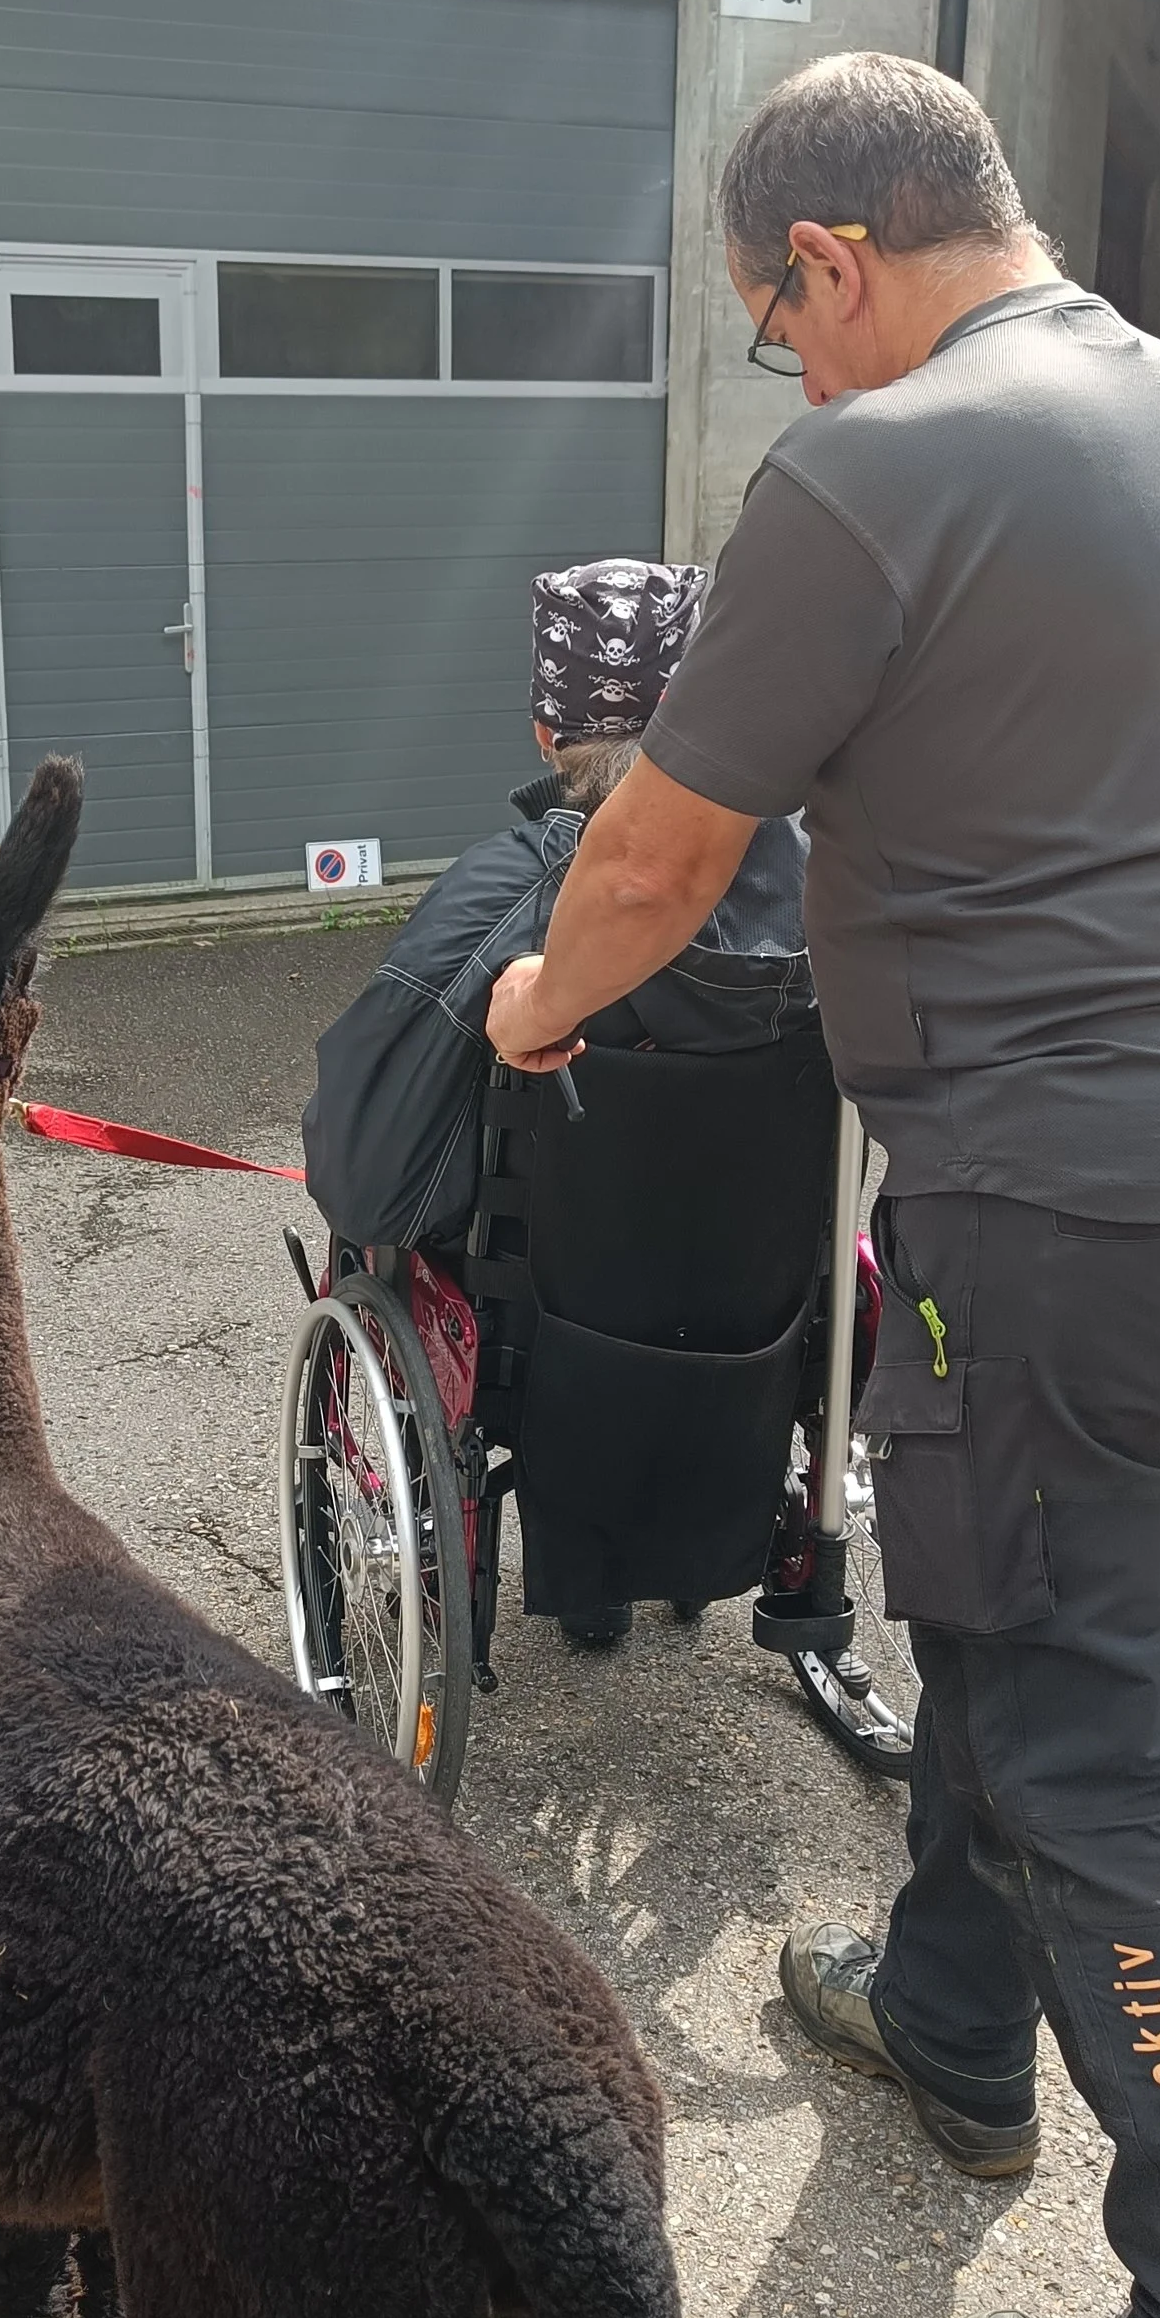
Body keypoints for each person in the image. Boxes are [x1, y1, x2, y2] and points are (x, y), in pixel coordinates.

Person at [487, 52, 1160, 2318]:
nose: (790, 374)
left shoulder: (864, 474)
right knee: (1023, 1599)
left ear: (834, 262)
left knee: (1094, 1732)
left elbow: (659, 852)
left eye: (779, 328)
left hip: (1068, 1199)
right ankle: (956, 2017)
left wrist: (534, 1007)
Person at [303, 556, 815, 1649]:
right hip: (761, 1288)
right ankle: (696, 1536)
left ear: (546, 730)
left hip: (553, 1315)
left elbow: (367, 1163)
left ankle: (590, 1583)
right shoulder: (827, 888)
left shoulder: (519, 892)